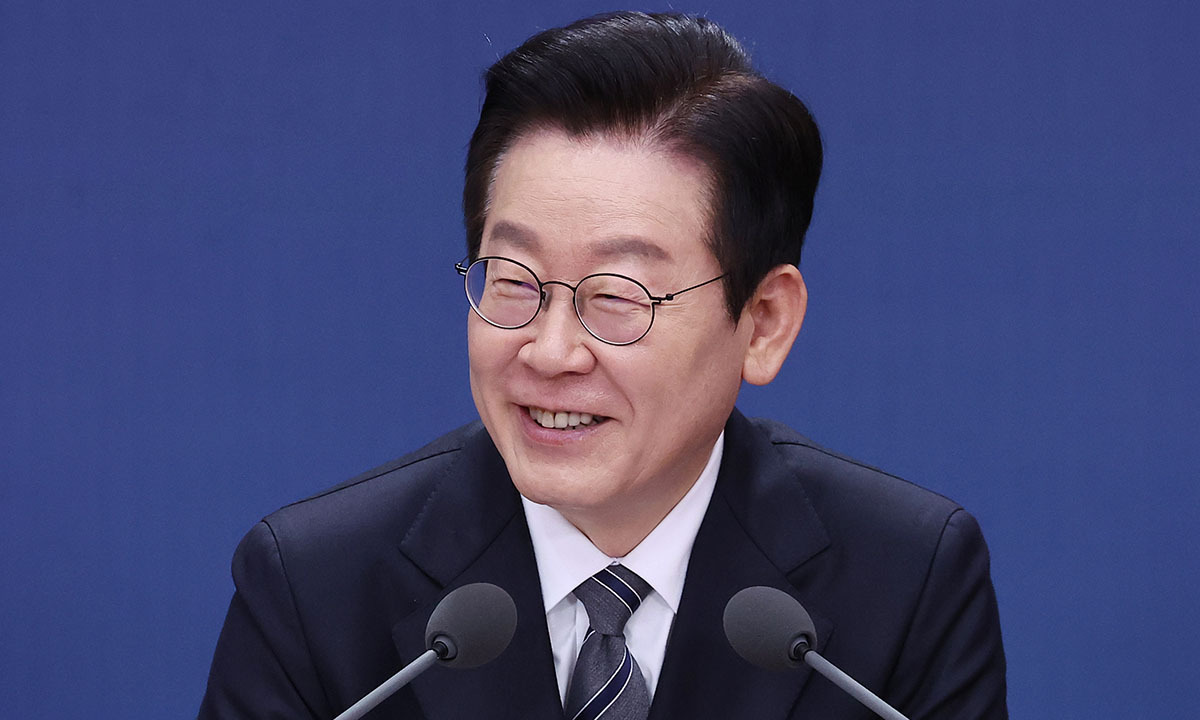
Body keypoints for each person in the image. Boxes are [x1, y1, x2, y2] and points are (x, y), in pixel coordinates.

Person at [199, 11, 1007, 719]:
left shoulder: (907, 580)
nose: (550, 351)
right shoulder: (312, 588)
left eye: (618, 296)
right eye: (514, 281)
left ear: (763, 322)